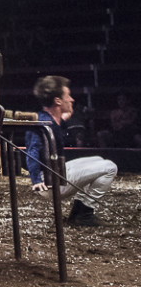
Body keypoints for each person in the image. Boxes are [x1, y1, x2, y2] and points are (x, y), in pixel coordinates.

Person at [25, 76, 118, 227]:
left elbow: (56, 124)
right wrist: (36, 180)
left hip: (56, 172)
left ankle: (78, 212)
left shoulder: (49, 118)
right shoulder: (43, 124)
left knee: (99, 161)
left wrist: (63, 118)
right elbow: (32, 151)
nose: (72, 99)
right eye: (67, 96)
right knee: (110, 167)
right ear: (58, 101)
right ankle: (86, 213)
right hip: (50, 182)